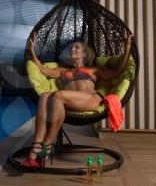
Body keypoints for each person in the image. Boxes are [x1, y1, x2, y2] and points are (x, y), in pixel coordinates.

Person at [22, 31, 133, 168]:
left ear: (84, 54)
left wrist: (127, 48)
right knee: (45, 95)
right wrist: (31, 49)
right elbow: (41, 69)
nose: (72, 49)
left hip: (91, 100)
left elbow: (118, 71)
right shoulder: (62, 71)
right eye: (71, 48)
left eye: (76, 47)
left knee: (57, 95)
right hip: (66, 102)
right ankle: (36, 147)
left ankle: (48, 144)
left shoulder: (93, 69)